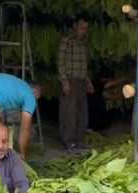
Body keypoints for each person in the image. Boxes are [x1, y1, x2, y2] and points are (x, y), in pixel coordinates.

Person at [57, 16, 94, 153]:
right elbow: (60, 62)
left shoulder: (82, 44)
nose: (83, 31)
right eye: (81, 27)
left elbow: (83, 66)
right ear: (74, 25)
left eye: (85, 29)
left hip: (81, 82)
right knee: (69, 113)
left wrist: (88, 81)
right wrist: (64, 82)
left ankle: (79, 140)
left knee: (82, 115)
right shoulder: (66, 41)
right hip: (70, 81)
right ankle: (68, 141)